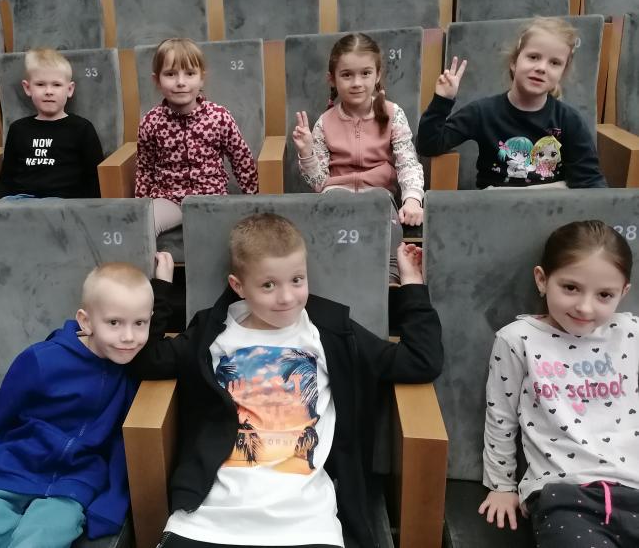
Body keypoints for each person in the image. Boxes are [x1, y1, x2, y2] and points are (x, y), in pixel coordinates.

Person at [129, 213, 443, 548]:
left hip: (305, 522)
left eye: (297, 280)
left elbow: (420, 361)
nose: (287, 298)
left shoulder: (329, 332)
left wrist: (412, 286)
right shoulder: (212, 333)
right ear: (238, 286)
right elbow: (148, 360)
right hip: (208, 517)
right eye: (268, 285)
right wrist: (161, 288)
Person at [0, 257, 174, 548]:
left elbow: (121, 445)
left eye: (140, 323)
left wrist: (110, 505)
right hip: (9, 470)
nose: (128, 337)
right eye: (114, 323)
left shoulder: (131, 370)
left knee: (40, 539)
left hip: (72, 487)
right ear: (86, 321)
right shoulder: (40, 361)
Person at [479, 220, 639, 546]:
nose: (585, 307)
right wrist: (501, 486)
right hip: (565, 497)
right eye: (570, 288)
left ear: (623, 293)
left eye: (604, 295)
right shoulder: (517, 339)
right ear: (542, 280)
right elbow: (501, 417)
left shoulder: (631, 333)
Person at [417, 16, 606, 189]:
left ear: (562, 73)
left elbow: (591, 184)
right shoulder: (483, 112)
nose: (541, 68)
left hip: (551, 209)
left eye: (554, 63)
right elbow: (428, 145)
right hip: (493, 210)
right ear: (514, 62)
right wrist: (442, 100)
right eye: (533, 57)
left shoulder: (569, 120)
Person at [292, 32, 424, 227]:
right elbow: (319, 183)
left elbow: (408, 163)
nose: (356, 83)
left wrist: (412, 199)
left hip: (379, 200)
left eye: (366, 73)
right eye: (347, 75)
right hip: (335, 201)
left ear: (377, 75)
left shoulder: (393, 114)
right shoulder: (324, 122)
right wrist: (307, 154)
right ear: (332, 79)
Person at [134, 38, 258, 236]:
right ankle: (157, 258)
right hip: (169, 199)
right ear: (156, 80)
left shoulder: (219, 116)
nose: (180, 82)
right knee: (143, 224)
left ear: (201, 78)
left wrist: (254, 202)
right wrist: (139, 208)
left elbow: (241, 160)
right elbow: (145, 169)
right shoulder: (151, 122)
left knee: (229, 234)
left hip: (212, 197)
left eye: (190, 73)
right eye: (170, 74)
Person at [0, 47, 104, 199]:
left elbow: (94, 178)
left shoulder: (82, 128)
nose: (48, 91)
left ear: (69, 89)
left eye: (56, 85)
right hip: (21, 202)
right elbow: (6, 178)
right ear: (27, 88)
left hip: (65, 203)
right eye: (40, 84)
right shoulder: (18, 129)